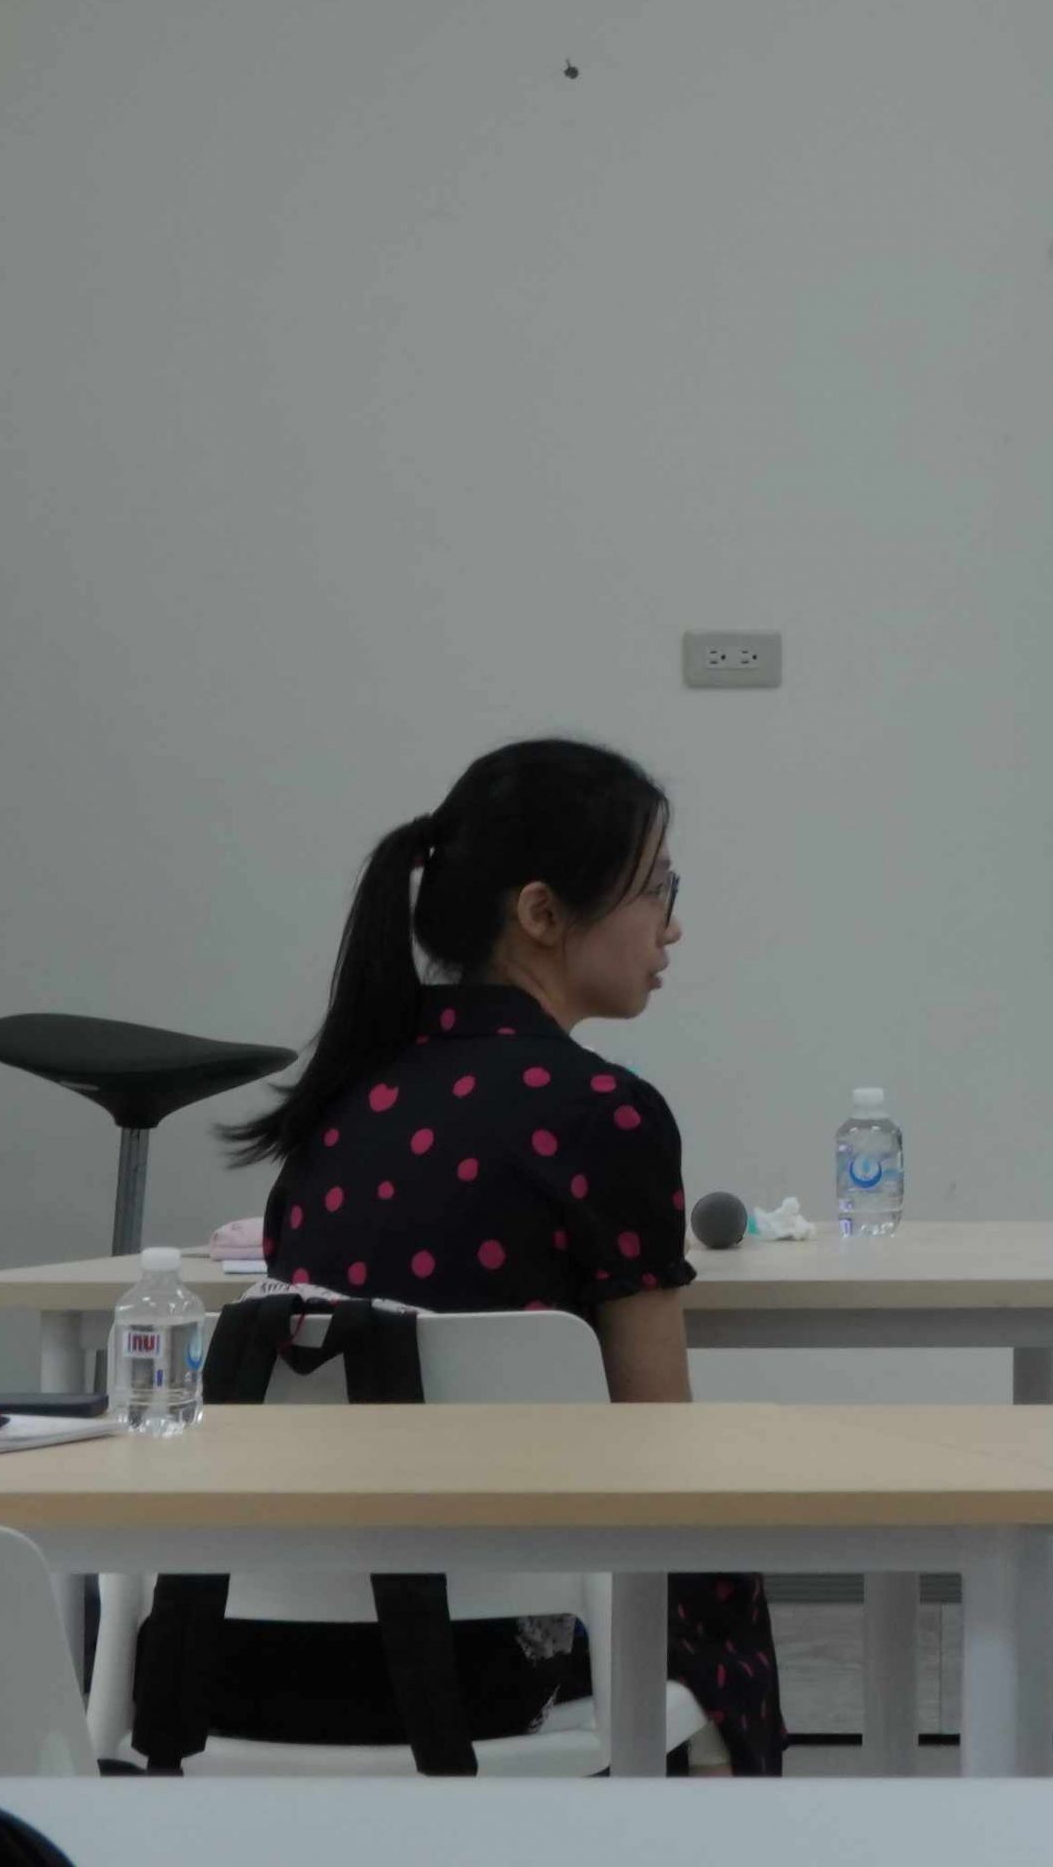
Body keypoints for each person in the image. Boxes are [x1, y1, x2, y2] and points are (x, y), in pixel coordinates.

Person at [225, 739, 784, 1772]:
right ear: (541, 913)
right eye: (656, 888)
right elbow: (656, 1440)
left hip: (274, 1655)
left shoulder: (339, 1103)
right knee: (724, 1544)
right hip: (504, 1666)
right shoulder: (603, 1112)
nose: (672, 924)